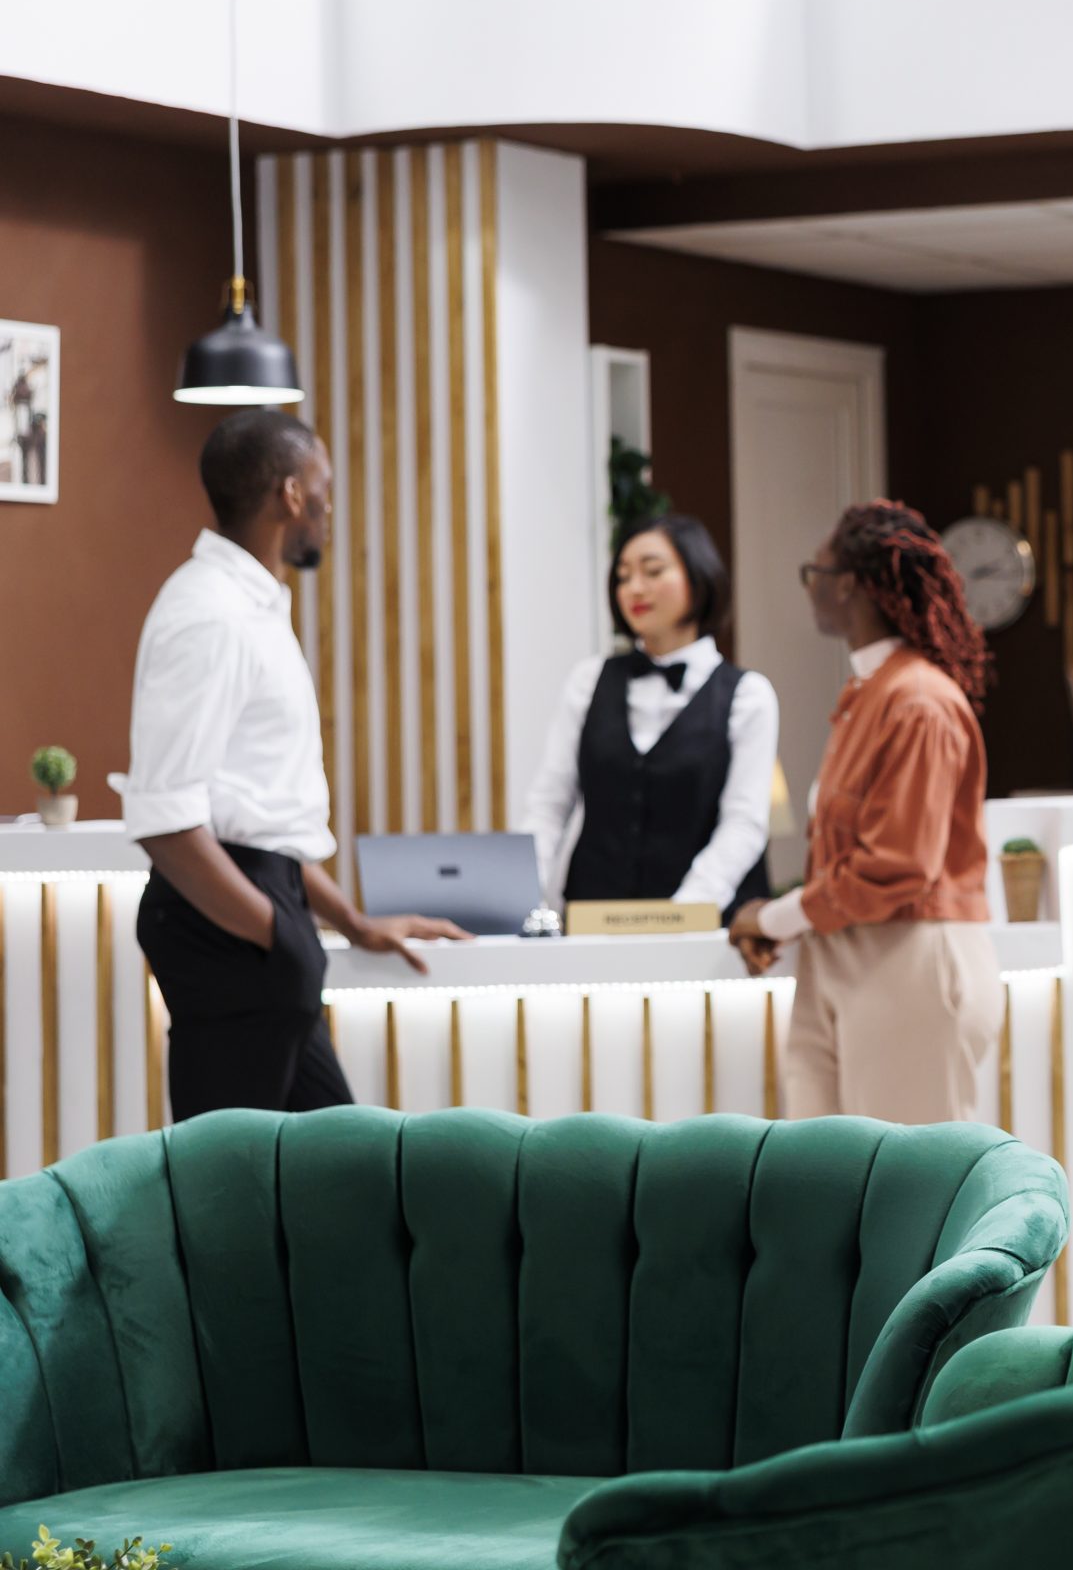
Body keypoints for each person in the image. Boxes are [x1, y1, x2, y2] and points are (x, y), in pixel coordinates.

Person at [126, 410, 468, 1120]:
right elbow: (166, 821)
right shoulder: (210, 613)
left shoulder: (250, 606)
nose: (329, 507)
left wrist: (347, 918)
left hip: (265, 923)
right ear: (290, 495)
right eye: (325, 487)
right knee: (229, 1199)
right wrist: (278, 935)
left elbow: (256, 815)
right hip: (230, 933)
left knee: (337, 1182)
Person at [727, 500, 1000, 1125]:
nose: (810, 588)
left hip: (909, 960)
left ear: (847, 584)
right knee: (829, 1185)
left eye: (813, 572)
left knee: (909, 1197)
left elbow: (897, 868)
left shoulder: (920, 702)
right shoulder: (868, 694)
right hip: (847, 959)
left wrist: (773, 916)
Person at [526, 513, 776, 923]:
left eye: (653, 571)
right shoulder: (588, 681)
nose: (634, 588)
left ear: (699, 577)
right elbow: (550, 804)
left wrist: (681, 915)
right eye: (623, 577)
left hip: (706, 927)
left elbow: (744, 824)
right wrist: (523, 894)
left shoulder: (748, 696)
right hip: (592, 918)